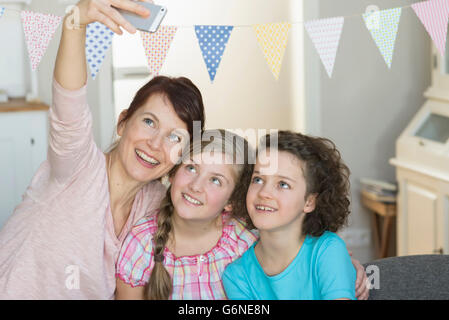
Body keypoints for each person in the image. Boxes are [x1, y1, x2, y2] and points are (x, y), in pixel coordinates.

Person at [0, 0, 205, 299]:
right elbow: (68, 101)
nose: (155, 144)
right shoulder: (78, 165)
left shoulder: (157, 204)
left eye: (174, 138)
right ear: (123, 122)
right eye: (149, 122)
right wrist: (76, 23)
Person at [115, 130, 258, 299]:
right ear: (174, 173)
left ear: (231, 201)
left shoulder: (244, 243)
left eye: (215, 180)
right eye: (191, 168)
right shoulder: (141, 243)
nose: (196, 186)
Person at [223, 131, 361, 300]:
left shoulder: (328, 251)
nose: (264, 193)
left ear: (309, 202)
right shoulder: (236, 275)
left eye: (283, 184)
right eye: (258, 179)